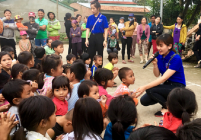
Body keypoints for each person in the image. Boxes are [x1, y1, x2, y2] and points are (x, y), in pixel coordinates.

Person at [135, 34, 186, 117]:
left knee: (150, 89)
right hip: (167, 85)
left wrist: (145, 87)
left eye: (161, 46)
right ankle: (170, 101)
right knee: (144, 101)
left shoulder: (176, 58)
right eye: (157, 45)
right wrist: (155, 64)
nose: (158, 48)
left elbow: (163, 78)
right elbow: (157, 75)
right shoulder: (159, 56)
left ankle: (169, 107)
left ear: (169, 46)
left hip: (178, 87)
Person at [85, 0, 109, 67]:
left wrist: (105, 40)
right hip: (92, 37)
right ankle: (89, 69)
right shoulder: (90, 17)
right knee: (90, 54)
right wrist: (86, 39)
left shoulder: (103, 17)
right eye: (91, 8)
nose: (92, 10)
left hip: (100, 37)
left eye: (94, 8)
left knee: (100, 54)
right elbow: (88, 29)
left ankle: (99, 70)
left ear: (98, 8)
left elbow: (105, 29)